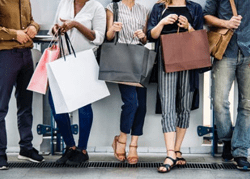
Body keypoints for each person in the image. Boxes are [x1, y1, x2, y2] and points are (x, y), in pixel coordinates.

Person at [147, 0, 203, 173]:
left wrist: (188, 26)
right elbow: (150, 35)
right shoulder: (159, 7)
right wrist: (162, 22)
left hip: (189, 58)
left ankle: (177, 149)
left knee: (185, 104)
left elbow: (200, 37)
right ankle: (170, 153)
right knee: (168, 104)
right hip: (166, 58)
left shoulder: (195, 8)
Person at [49, 0, 106, 165]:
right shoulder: (64, 3)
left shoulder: (96, 7)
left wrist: (75, 24)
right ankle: (70, 147)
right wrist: (56, 29)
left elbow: (98, 38)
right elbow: (55, 25)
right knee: (55, 104)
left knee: (84, 107)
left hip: (85, 61)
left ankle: (82, 149)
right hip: (61, 60)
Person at [204, 0, 250, 171]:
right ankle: (228, 141)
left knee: (247, 104)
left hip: (249, 52)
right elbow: (206, 16)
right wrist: (227, 23)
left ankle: (240, 152)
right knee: (219, 101)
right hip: (224, 51)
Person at [0, 0, 44, 170]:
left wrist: (34, 27)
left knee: (26, 105)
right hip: (5, 56)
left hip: (26, 56)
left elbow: (31, 20)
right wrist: (13, 34)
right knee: (1, 107)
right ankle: (0, 154)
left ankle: (26, 148)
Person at [106, 0, 149, 165]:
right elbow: (109, 36)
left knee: (142, 104)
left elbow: (145, 40)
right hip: (122, 59)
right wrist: (113, 29)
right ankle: (122, 139)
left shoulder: (143, 9)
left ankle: (134, 145)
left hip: (139, 58)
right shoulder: (112, 7)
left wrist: (142, 36)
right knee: (131, 102)